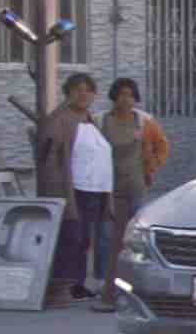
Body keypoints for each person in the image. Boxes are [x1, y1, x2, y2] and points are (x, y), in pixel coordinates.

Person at [95, 79, 169, 309]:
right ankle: (108, 290)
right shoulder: (100, 121)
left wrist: (153, 166)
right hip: (109, 189)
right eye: (121, 95)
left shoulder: (145, 122)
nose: (125, 99)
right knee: (110, 240)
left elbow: (162, 146)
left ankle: (135, 289)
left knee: (136, 241)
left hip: (137, 187)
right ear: (113, 97)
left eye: (130, 95)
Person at [45, 74, 112, 303]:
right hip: (73, 189)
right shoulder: (60, 119)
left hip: (95, 189)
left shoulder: (90, 119)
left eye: (88, 90)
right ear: (68, 93)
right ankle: (64, 285)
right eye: (77, 90)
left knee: (83, 240)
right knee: (71, 238)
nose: (83, 94)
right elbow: (50, 156)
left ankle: (78, 284)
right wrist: (56, 190)